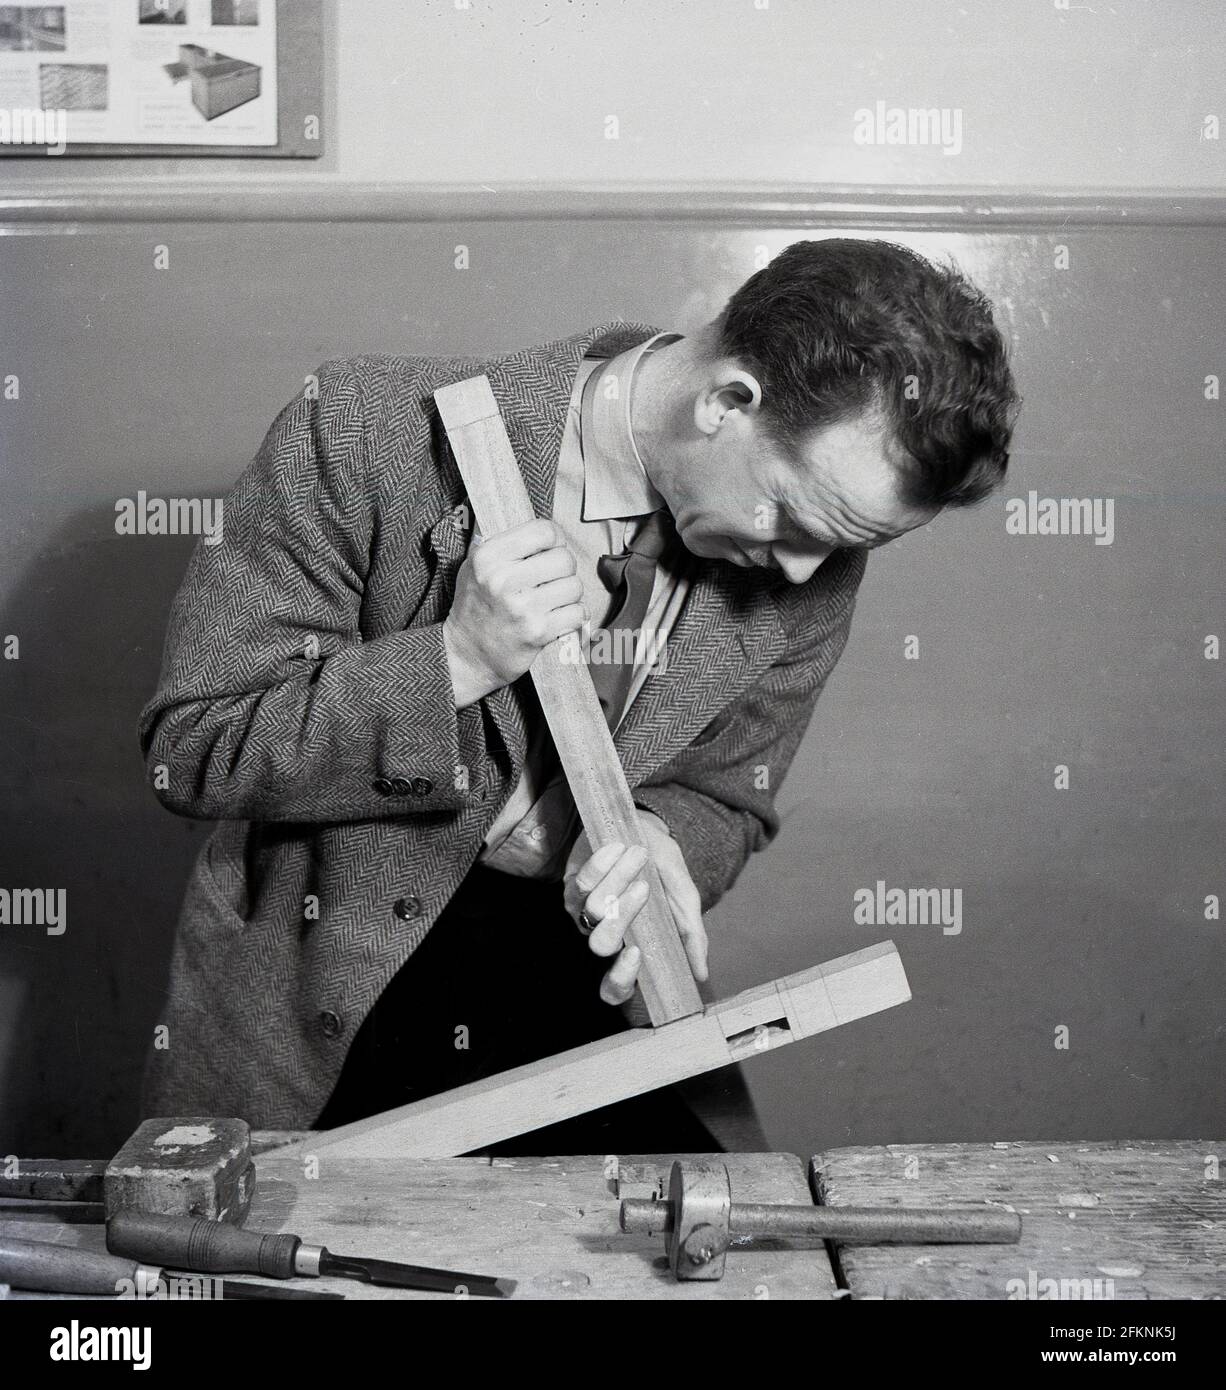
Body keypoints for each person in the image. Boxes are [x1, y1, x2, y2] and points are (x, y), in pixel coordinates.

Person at [139, 237, 1019, 1151]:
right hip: (322, 996)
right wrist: (455, 659)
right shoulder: (363, 428)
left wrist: (661, 832)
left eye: (846, 544)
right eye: (796, 518)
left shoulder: (817, 558)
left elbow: (729, 795)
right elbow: (195, 749)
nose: (807, 568)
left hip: (577, 989)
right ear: (727, 401)